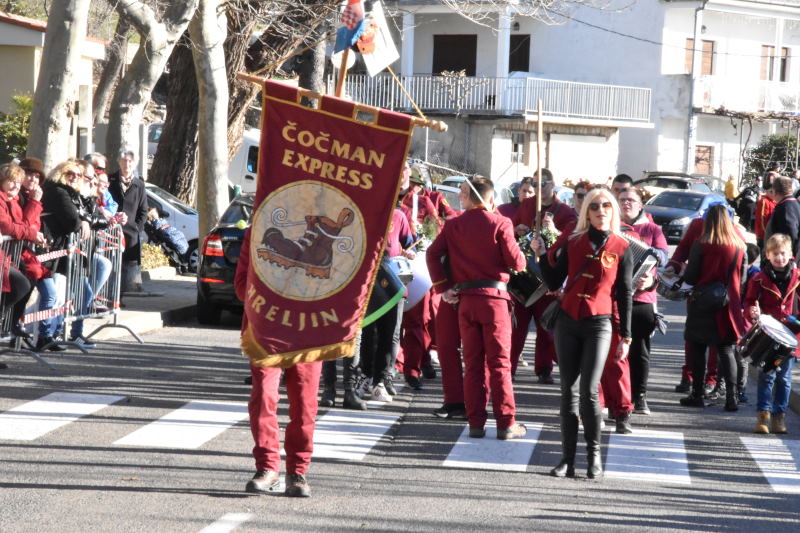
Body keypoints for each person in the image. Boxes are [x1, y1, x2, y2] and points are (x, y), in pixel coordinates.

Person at [536, 187, 633, 479]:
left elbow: (625, 294)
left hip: (599, 324)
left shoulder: (622, 247)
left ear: (613, 211)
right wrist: (541, 254)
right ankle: (567, 459)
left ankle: (594, 456)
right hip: (568, 321)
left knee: (589, 391)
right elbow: (554, 281)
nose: (600, 210)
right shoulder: (574, 242)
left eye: (606, 206)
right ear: (586, 213)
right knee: (568, 391)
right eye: (594, 206)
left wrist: (626, 336)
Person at [427, 177, 528, 440]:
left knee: (472, 364)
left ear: (468, 196)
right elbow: (516, 263)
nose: (460, 197)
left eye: (462, 193)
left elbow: (432, 254)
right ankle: (505, 422)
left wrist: (443, 288)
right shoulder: (501, 223)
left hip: (466, 301)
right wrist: (525, 253)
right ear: (491, 198)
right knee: (499, 364)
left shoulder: (454, 225)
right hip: (494, 300)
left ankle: (476, 422)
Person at [236, 227, 320, 498]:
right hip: (265, 331)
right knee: (263, 395)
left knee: (304, 403)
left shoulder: (319, 235)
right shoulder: (255, 232)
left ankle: (298, 471)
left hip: (308, 331)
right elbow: (241, 286)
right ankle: (267, 467)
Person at [513, 168, 578, 383]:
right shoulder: (527, 205)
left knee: (545, 327)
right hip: (525, 273)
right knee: (517, 326)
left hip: (549, 274)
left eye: (542, 184)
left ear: (552, 184)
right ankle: (508, 368)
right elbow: (512, 230)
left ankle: (544, 368)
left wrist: (554, 232)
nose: (538, 188)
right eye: (534, 184)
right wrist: (518, 229)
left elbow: (571, 241)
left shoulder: (565, 212)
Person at [679, 204, 746, 411]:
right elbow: (742, 278)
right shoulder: (739, 246)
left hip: (703, 301)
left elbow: (691, 277)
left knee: (698, 347)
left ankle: (697, 394)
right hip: (728, 303)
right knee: (726, 349)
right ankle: (732, 398)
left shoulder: (702, 243)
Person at [618, 188, 668, 416]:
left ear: (640, 205)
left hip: (642, 297)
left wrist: (649, 271)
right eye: (622, 200)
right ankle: (618, 396)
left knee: (640, 351)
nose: (626, 203)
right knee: (614, 350)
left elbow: (663, 256)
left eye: (631, 200)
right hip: (615, 298)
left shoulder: (652, 229)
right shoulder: (611, 227)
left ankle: (640, 395)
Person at [744, 234, 797, 434]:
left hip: (791, 336)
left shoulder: (798, 277)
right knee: (767, 376)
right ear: (767, 255)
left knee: (784, 379)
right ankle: (763, 416)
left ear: (790, 254)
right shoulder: (759, 278)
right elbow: (750, 301)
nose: (779, 258)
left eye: (783, 253)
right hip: (768, 337)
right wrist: (752, 311)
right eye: (775, 254)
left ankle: (779, 416)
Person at [41, 160, 97, 348]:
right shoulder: (58, 191)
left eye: (78, 175)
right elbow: (72, 221)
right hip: (54, 249)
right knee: (54, 295)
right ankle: (46, 335)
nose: (75, 177)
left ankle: (55, 333)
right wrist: (82, 221)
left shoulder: (73, 193)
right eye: (70, 173)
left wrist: (85, 219)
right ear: (60, 173)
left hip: (66, 250)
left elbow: (88, 215)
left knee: (62, 295)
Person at [0, 163, 46, 340]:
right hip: (5, 254)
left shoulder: (13, 200)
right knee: (21, 284)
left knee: (25, 281)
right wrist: (31, 234)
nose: (16, 186)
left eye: (18, 182)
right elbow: (7, 227)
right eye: (12, 181)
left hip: (9, 254)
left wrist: (31, 232)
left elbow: (22, 225)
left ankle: (9, 323)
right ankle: (7, 322)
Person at [108, 150, 148, 291]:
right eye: (124, 160)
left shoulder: (139, 184)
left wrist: (136, 227)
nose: (127, 164)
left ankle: (121, 296)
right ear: (119, 162)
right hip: (111, 232)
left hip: (131, 234)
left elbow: (143, 211)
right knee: (111, 267)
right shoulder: (110, 180)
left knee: (127, 272)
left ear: (134, 163)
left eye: (130, 161)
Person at [763, 177, 800, 260]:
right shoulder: (795, 204)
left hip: (782, 260)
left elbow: (791, 234)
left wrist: (790, 257)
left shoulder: (785, 208)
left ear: (775, 191)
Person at [145, 207, 190, 273]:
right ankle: (183, 264)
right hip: (169, 234)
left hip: (171, 233)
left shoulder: (158, 222)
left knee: (179, 244)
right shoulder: (156, 223)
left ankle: (183, 264)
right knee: (179, 245)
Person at [754, 184, 776, 250]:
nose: (773, 194)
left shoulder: (774, 202)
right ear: (766, 192)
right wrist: (766, 234)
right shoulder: (764, 201)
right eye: (771, 191)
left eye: (774, 192)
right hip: (763, 235)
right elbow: (762, 219)